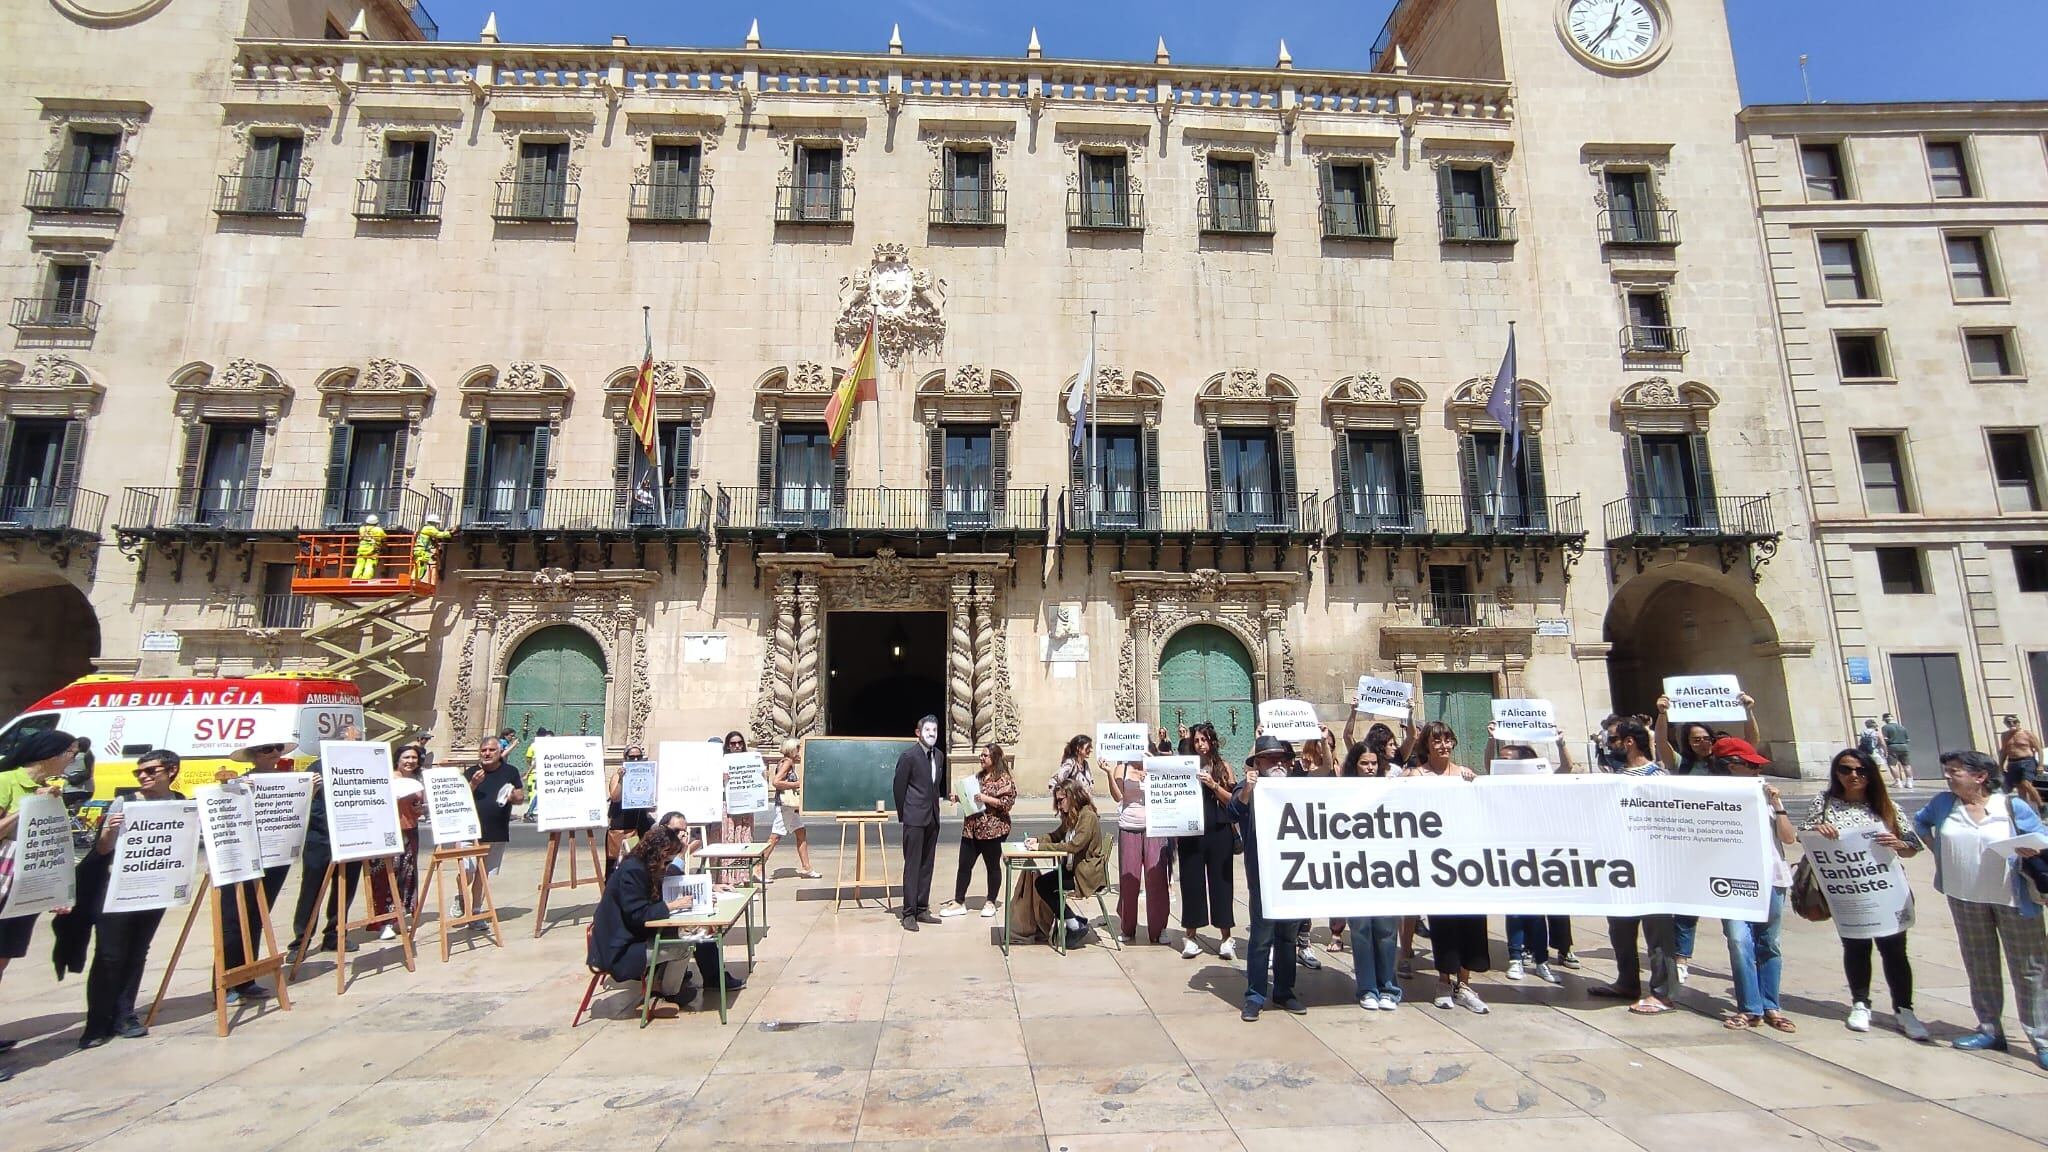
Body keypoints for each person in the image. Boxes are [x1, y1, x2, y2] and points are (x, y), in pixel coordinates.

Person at [1914, 749, 2048, 1067]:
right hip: (1964, 897)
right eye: (1946, 770)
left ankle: (2042, 1038)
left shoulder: (2011, 807)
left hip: (2013, 899)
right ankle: (1989, 1029)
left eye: (1955, 771)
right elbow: (1919, 825)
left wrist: (2031, 849)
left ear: (1980, 776)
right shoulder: (1943, 805)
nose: (1948, 776)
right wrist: (1940, 854)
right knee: (1980, 966)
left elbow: (2042, 835)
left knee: (2031, 971)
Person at [1804, 746, 1928, 1040]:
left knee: (1895, 951)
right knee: (1856, 947)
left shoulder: (1886, 806)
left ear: (1871, 774)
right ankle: (1860, 1002)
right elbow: (1806, 836)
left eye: (1860, 770)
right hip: (1848, 889)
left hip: (1885, 889)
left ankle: (1904, 1009)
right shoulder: (1824, 803)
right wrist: (1819, 831)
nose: (1853, 776)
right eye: (1845, 770)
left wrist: (1899, 844)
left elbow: (1912, 846)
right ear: (1836, 773)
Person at [74, 748, 185, 1047]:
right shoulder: (125, 802)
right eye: (139, 772)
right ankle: (97, 1023)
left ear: (171, 771)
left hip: (154, 888)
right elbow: (101, 849)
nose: (144, 777)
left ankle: (124, 1015)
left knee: (137, 952)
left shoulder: (180, 803)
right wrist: (110, 830)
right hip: (115, 890)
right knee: (109, 956)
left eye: (151, 771)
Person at [1656, 691, 1758, 982]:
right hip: (1695, 842)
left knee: (1732, 910)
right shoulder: (1682, 765)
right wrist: (1663, 715)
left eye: (1705, 738)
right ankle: (1682, 957)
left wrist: (1748, 712)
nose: (1702, 744)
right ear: (1687, 743)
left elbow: (1751, 745)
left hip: (1730, 842)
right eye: (1695, 739)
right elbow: (1661, 743)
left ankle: (1743, 959)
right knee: (1688, 906)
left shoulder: (1727, 763)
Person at [587, 825, 742, 1010]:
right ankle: (666, 993)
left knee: (694, 933)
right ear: (660, 853)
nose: (666, 866)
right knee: (685, 945)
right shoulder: (633, 871)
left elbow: (656, 896)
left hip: (629, 938)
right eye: (667, 861)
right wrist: (673, 905)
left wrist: (706, 891)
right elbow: (638, 915)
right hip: (618, 949)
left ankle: (664, 988)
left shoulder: (640, 865)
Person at [1589, 719, 1681, 1014]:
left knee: (1657, 934)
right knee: (1620, 929)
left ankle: (1663, 992)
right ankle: (1626, 981)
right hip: (1619, 865)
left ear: (1629, 742)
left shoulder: (1657, 776)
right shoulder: (1615, 774)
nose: (1609, 744)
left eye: (1613, 739)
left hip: (1652, 867)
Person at [0, 728, 78, 1075]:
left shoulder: (54, 791)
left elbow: (51, 843)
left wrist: (57, 890)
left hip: (25, 888)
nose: (74, 758)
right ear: (50, 753)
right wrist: (32, 806)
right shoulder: (7, 782)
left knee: (2, 961)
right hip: (2, 882)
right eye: (71, 752)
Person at [1402, 721, 1489, 1013]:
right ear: (1427, 745)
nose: (1443, 745)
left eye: (1447, 740)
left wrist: (1473, 782)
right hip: (1436, 862)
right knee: (1443, 923)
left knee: (1471, 923)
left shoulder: (1464, 775)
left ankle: (1464, 983)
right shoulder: (1416, 775)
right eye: (1437, 741)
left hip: (1466, 860)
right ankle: (1443, 981)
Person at [1713, 736, 1798, 1032]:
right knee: (1739, 941)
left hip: (1771, 876)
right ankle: (1749, 1007)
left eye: (1755, 766)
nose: (1755, 771)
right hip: (1730, 877)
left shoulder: (1765, 793)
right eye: (1748, 765)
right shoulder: (1712, 794)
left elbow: (1788, 838)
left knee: (1769, 943)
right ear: (1731, 767)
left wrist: (1778, 804)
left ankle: (1771, 1005)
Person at [1226, 736, 1305, 1020]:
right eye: (1271, 759)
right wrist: (1248, 788)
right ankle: (1255, 995)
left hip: (1294, 875)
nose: (1278, 764)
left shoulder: (1297, 787)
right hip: (1263, 876)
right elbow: (1233, 811)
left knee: (1288, 937)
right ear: (1257, 763)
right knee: (1261, 938)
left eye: (1282, 758)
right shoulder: (1250, 788)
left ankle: (1285, 991)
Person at [219, 740, 296, 1003]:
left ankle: (246, 978)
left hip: (276, 856)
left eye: (277, 748)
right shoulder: (238, 783)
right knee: (232, 919)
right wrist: (235, 792)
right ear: (254, 756)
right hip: (243, 858)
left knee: (256, 917)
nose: (274, 753)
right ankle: (226, 980)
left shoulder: (290, 781)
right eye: (267, 749)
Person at [1009, 777, 1109, 945]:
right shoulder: (1072, 816)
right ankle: (1073, 921)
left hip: (1085, 875)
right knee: (1042, 884)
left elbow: (1074, 846)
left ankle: (1072, 923)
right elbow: (1056, 835)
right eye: (1057, 801)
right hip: (1072, 869)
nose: (1059, 804)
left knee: (1046, 885)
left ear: (1072, 796)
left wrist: (1041, 848)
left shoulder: (1087, 817)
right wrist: (1037, 840)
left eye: (1061, 800)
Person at [1175, 722, 1237, 960]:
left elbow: (1233, 801)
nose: (1200, 745)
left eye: (1204, 740)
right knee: (1191, 884)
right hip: (1191, 833)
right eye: (1196, 741)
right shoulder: (1185, 768)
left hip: (1218, 831)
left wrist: (1213, 784)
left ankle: (1225, 937)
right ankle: (1190, 936)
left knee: (1221, 884)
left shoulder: (1223, 768)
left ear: (1212, 742)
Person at [942, 744, 1015, 919]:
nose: (981, 758)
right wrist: (959, 798)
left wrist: (987, 799)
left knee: (992, 867)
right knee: (964, 865)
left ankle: (991, 901)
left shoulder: (1003, 779)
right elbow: (972, 797)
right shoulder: (977, 777)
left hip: (993, 830)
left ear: (994, 758)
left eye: (985, 756)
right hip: (971, 829)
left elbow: (1007, 803)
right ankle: (959, 901)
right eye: (981, 755)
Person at [1105, 753, 1168, 944]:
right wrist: (1109, 773)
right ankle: (1127, 927)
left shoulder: (1154, 767)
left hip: (1153, 828)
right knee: (1129, 878)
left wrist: (1152, 772)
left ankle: (1159, 928)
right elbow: (1118, 797)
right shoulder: (1121, 768)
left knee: (1156, 878)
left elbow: (1167, 791)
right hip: (1129, 826)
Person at [893, 715, 947, 931]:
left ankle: (923, 907)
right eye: (927, 730)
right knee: (913, 865)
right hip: (914, 818)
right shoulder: (909, 756)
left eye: (935, 731)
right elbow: (899, 787)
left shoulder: (940, 756)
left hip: (932, 817)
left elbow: (934, 787)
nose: (932, 734)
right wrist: (905, 814)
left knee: (927, 864)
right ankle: (909, 912)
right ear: (918, 732)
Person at [370, 743, 426, 938]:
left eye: (414, 758)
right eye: (406, 758)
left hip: (410, 831)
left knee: (406, 875)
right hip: (388, 831)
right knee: (385, 875)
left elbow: (420, 806)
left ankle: (398, 917)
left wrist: (422, 810)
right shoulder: (387, 778)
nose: (410, 761)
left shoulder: (419, 780)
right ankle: (383, 920)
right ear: (398, 760)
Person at [464, 734, 524, 914]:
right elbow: (459, 798)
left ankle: (476, 911)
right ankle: (461, 895)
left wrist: (514, 797)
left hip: (495, 830)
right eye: (483, 750)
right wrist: (473, 784)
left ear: (500, 752)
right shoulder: (471, 772)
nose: (487, 753)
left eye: (491, 750)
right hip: (470, 830)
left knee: (483, 874)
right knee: (468, 869)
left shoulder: (510, 772)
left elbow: (520, 797)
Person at [763, 738, 821, 880]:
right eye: (798, 749)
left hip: (788, 807)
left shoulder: (786, 762)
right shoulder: (787, 763)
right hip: (785, 807)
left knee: (801, 832)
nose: (800, 752)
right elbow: (776, 782)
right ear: (792, 750)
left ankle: (807, 868)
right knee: (775, 837)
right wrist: (796, 784)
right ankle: (758, 868)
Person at [606, 744, 656, 880]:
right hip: (623, 825)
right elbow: (615, 797)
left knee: (642, 861)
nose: (635, 760)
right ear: (625, 757)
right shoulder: (618, 774)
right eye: (631, 757)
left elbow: (651, 804)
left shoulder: (647, 773)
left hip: (641, 824)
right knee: (619, 862)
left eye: (638, 757)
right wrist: (622, 779)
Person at [2001, 715, 2044, 794]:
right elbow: (2004, 751)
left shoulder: (2027, 734)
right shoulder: (2004, 736)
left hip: (2027, 761)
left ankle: (2040, 805)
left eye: (2014, 722)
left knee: (2026, 784)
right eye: (2008, 722)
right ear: (2005, 724)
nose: (2012, 724)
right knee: (2020, 787)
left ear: (2018, 723)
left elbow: (2039, 749)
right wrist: (2001, 765)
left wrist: (2040, 765)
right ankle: (2025, 805)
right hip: (2012, 762)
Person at [411, 513, 452, 582]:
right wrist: (450, 533)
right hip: (422, 551)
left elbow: (429, 541)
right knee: (421, 566)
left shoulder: (424, 528)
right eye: (436, 523)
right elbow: (438, 534)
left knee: (420, 566)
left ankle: (415, 579)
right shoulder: (429, 528)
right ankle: (414, 580)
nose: (437, 525)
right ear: (434, 522)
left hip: (420, 550)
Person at [1881, 713, 1912, 789]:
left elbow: (1885, 739)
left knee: (1892, 765)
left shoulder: (1885, 727)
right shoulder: (1902, 727)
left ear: (1885, 719)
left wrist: (1885, 750)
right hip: (1904, 746)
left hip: (1892, 746)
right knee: (1906, 765)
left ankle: (1898, 782)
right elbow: (1907, 739)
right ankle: (1909, 782)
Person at [351, 512, 384, 579]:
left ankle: (355, 577)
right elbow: (384, 537)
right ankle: (366, 578)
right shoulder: (378, 530)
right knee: (370, 564)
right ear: (376, 522)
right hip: (372, 550)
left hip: (361, 550)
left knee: (359, 564)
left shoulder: (362, 528)